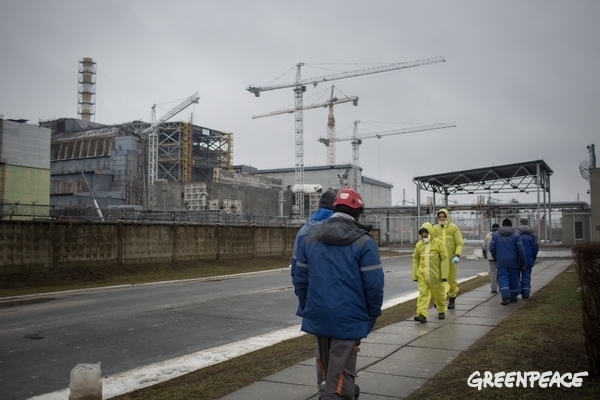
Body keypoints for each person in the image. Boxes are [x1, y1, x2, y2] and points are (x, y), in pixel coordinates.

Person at [294, 188, 384, 400]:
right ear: (358, 212)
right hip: (349, 318)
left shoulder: (310, 238)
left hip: (319, 314)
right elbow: (374, 286)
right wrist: (371, 317)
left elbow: (300, 280)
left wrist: (309, 307)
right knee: (340, 379)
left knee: (327, 371)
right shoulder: (365, 243)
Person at [290, 190, 337, 316]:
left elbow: (295, 267)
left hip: (311, 296)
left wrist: (303, 297)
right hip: (335, 297)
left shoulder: (302, 231)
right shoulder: (338, 230)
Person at [412, 222, 449, 323]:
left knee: (439, 294)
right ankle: (422, 314)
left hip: (436, 276)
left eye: (426, 232)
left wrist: (444, 275)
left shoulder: (438, 243)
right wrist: (415, 274)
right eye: (422, 232)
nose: (424, 234)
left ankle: (441, 310)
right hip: (422, 275)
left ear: (430, 232)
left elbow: (444, 258)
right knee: (423, 294)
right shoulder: (419, 245)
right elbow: (415, 259)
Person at [431, 208, 464, 309]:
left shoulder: (453, 228)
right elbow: (431, 243)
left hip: (451, 259)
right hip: (438, 260)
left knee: (451, 280)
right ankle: (439, 300)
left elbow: (459, 242)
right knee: (438, 280)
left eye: (443, 216)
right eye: (440, 217)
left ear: (447, 216)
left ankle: (452, 299)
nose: (441, 218)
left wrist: (457, 255)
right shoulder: (435, 229)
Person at [489, 218, 527, 305]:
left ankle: (505, 298)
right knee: (513, 278)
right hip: (513, 260)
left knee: (503, 278)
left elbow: (492, 248)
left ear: (502, 225)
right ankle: (513, 297)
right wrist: (523, 262)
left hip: (501, 260)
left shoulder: (496, 235)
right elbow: (521, 250)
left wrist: (496, 258)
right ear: (511, 225)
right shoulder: (516, 235)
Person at [515, 218, 539, 299]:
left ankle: (516, 292)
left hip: (517, 258)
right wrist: (533, 258)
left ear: (520, 223)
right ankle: (525, 294)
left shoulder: (516, 233)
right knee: (526, 276)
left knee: (516, 275)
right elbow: (536, 248)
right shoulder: (533, 235)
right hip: (529, 258)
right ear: (527, 223)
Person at [482, 223, 500, 294]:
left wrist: (485, 256)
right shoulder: (500, 235)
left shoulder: (487, 236)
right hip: (499, 256)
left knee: (493, 272)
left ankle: (493, 288)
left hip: (490, 257)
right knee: (500, 272)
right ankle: (501, 287)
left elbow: (484, 247)